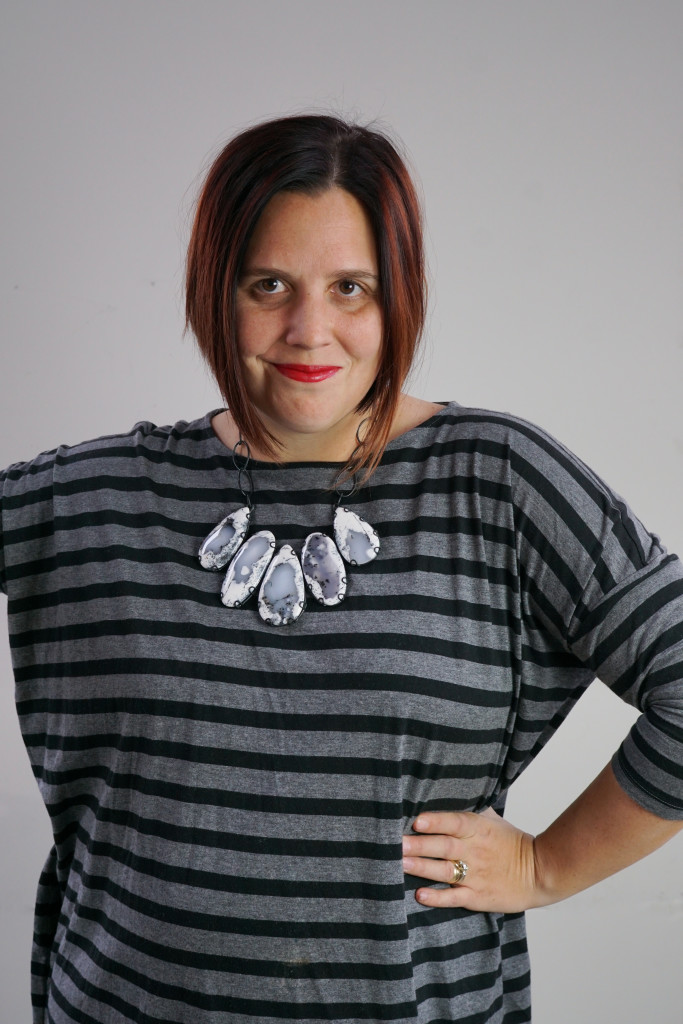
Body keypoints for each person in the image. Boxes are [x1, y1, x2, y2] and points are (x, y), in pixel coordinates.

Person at [1, 113, 681, 1024]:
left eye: (351, 288)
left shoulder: (498, 481)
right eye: (268, 284)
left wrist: (544, 865)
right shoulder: (89, 496)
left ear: (398, 296)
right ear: (215, 290)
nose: (308, 329)